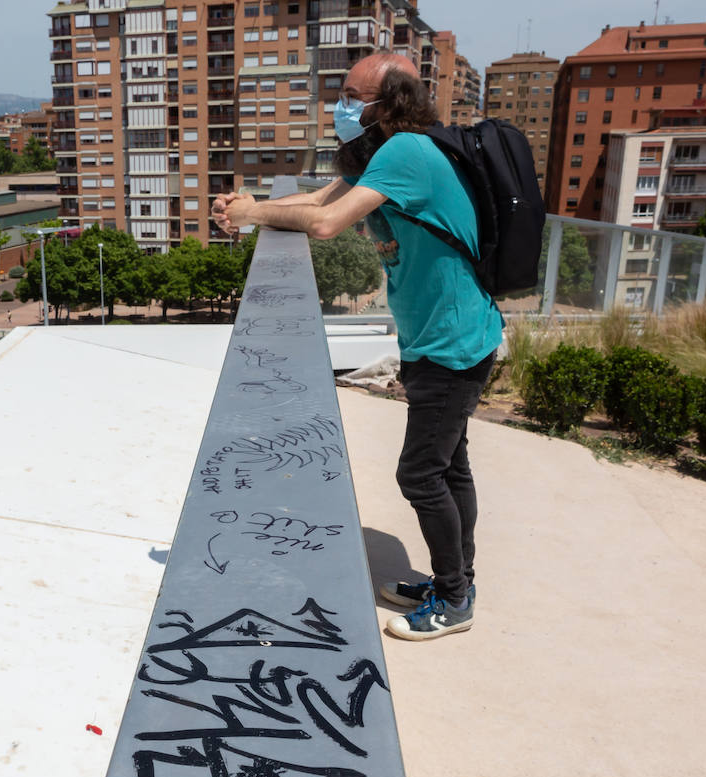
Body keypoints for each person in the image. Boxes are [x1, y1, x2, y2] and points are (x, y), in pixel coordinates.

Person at [213, 52, 503, 641]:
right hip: (439, 335)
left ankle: (454, 600)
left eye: (352, 96)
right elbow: (319, 201)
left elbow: (325, 225)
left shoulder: (408, 151)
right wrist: (250, 213)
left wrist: (250, 212)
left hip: (454, 341)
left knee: (422, 475)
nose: (341, 107)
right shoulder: (383, 153)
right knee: (450, 467)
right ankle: (456, 579)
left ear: (388, 103)